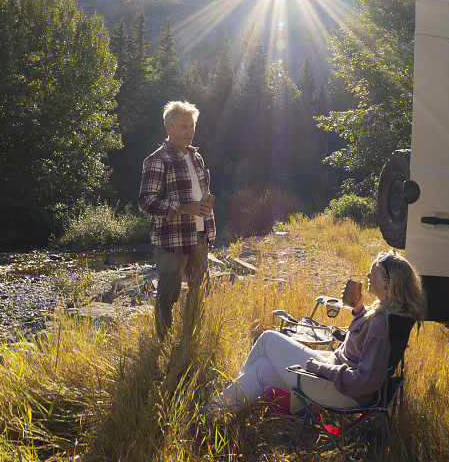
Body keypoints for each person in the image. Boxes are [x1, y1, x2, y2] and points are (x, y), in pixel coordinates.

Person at [213, 250, 427, 410]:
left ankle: (214, 409)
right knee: (261, 369)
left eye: (372, 274)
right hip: (336, 370)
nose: (367, 277)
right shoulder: (390, 310)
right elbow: (364, 344)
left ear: (388, 286)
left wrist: (319, 369)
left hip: (341, 391)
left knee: (268, 339)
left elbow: (366, 380)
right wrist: (359, 309)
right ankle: (214, 410)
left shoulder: (382, 322)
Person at [138, 101, 215, 339]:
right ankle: (163, 341)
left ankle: (190, 339)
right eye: (183, 127)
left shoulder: (196, 157)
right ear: (168, 128)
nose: (189, 132)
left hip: (200, 236)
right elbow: (146, 202)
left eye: (191, 126)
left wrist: (204, 211)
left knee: (199, 291)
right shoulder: (157, 159)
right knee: (168, 295)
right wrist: (184, 209)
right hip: (171, 241)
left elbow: (199, 197)